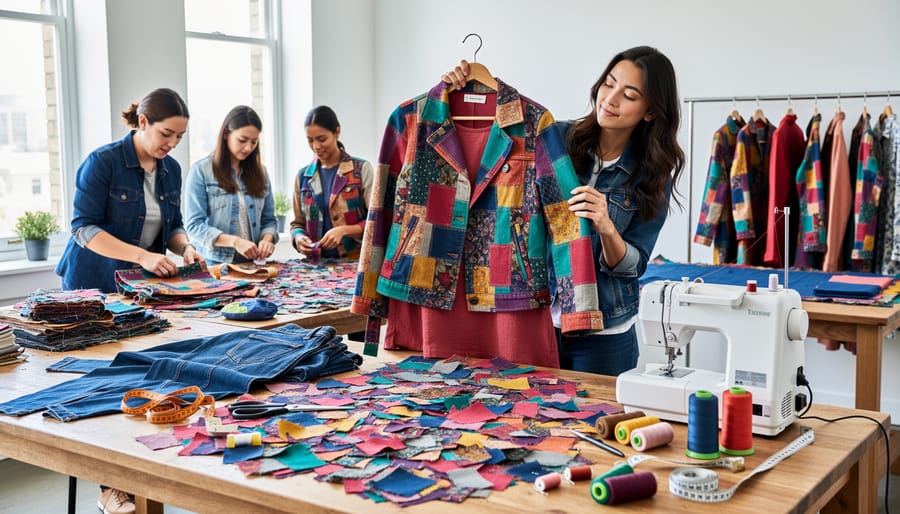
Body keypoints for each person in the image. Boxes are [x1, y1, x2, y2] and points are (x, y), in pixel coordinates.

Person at [443, 46, 685, 376]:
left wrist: (606, 226)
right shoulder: (555, 137)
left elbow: (633, 265)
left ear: (650, 112)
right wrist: (465, 89)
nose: (610, 99)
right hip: (535, 317)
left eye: (628, 95)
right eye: (609, 83)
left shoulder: (652, 175)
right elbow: (488, 137)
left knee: (595, 421)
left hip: (604, 333)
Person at [54, 87, 202, 514]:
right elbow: (83, 228)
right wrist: (142, 256)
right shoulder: (102, 163)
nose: (172, 144)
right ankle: (110, 487)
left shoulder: (171, 170)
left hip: (138, 291)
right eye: (166, 134)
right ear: (142, 122)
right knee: (103, 385)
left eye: (179, 137)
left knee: (143, 380)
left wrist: (184, 247)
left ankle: (141, 471)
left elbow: (170, 227)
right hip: (92, 289)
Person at [185, 105, 278, 264]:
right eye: (242, 140)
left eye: (254, 142)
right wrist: (235, 242)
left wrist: (267, 239)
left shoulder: (261, 172)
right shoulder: (201, 171)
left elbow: (269, 220)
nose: (248, 147)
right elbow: (194, 226)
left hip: (253, 264)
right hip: (216, 266)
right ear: (226, 134)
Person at [290, 105, 373, 260]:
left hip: (355, 262)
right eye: (310, 140)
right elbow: (297, 224)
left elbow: (376, 222)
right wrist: (299, 238)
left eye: (322, 139)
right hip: (315, 266)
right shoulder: (303, 177)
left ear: (337, 132)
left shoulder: (361, 170)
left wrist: (344, 230)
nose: (316, 146)